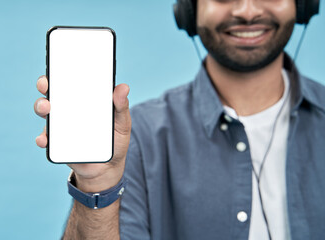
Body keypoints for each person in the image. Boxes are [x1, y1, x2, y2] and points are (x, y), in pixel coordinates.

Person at [34, 0, 325, 239]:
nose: (247, 12)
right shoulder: (138, 137)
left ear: (302, 5)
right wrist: (97, 186)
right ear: (189, 9)